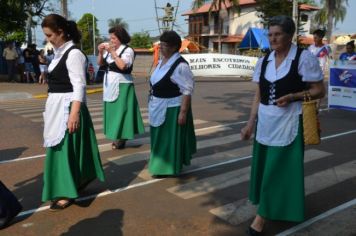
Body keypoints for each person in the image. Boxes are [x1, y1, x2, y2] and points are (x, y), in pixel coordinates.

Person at [240, 16, 325, 235]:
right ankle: (275, 206)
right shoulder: (265, 60)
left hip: (290, 123)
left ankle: (261, 218)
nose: (273, 38)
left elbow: (319, 90)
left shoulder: (303, 58)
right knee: (267, 170)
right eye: (270, 34)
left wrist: (294, 96)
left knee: (277, 171)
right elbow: (259, 93)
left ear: (290, 36)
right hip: (266, 123)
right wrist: (250, 123)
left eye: (277, 34)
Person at [41, 13, 105, 211]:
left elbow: (79, 86)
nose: (48, 39)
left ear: (61, 32)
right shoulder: (59, 52)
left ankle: (67, 190)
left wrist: (74, 114)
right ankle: (75, 181)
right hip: (57, 105)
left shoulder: (74, 54)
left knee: (65, 151)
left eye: (50, 35)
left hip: (68, 106)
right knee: (62, 149)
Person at [148, 30, 196, 177]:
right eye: (160, 44)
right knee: (158, 138)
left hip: (172, 108)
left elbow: (187, 90)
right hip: (157, 105)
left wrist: (183, 112)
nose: (161, 47)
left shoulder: (180, 65)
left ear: (174, 47)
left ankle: (166, 168)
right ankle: (160, 165)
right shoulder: (162, 62)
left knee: (167, 140)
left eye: (164, 45)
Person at [97, 26, 145, 150]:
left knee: (122, 113)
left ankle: (121, 138)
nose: (111, 40)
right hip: (110, 85)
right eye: (110, 38)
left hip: (122, 85)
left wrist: (113, 53)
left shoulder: (127, 51)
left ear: (120, 38)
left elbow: (123, 66)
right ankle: (117, 136)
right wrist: (100, 52)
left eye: (113, 38)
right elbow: (100, 63)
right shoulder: (109, 50)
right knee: (113, 113)